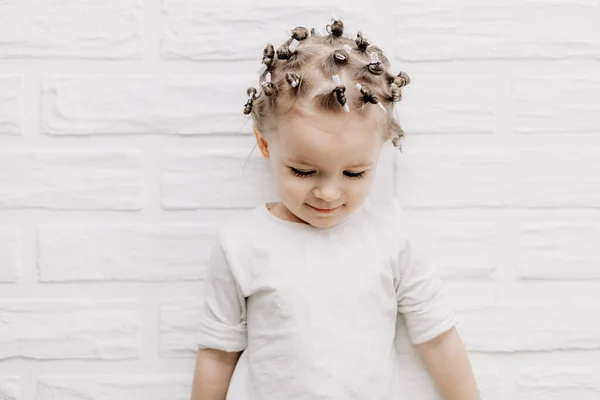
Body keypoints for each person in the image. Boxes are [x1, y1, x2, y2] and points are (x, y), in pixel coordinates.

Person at [191, 17, 480, 400]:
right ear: (265, 146)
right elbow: (217, 355)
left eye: (355, 172)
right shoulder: (241, 244)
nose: (328, 193)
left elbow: (438, 338)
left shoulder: (391, 234)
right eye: (303, 170)